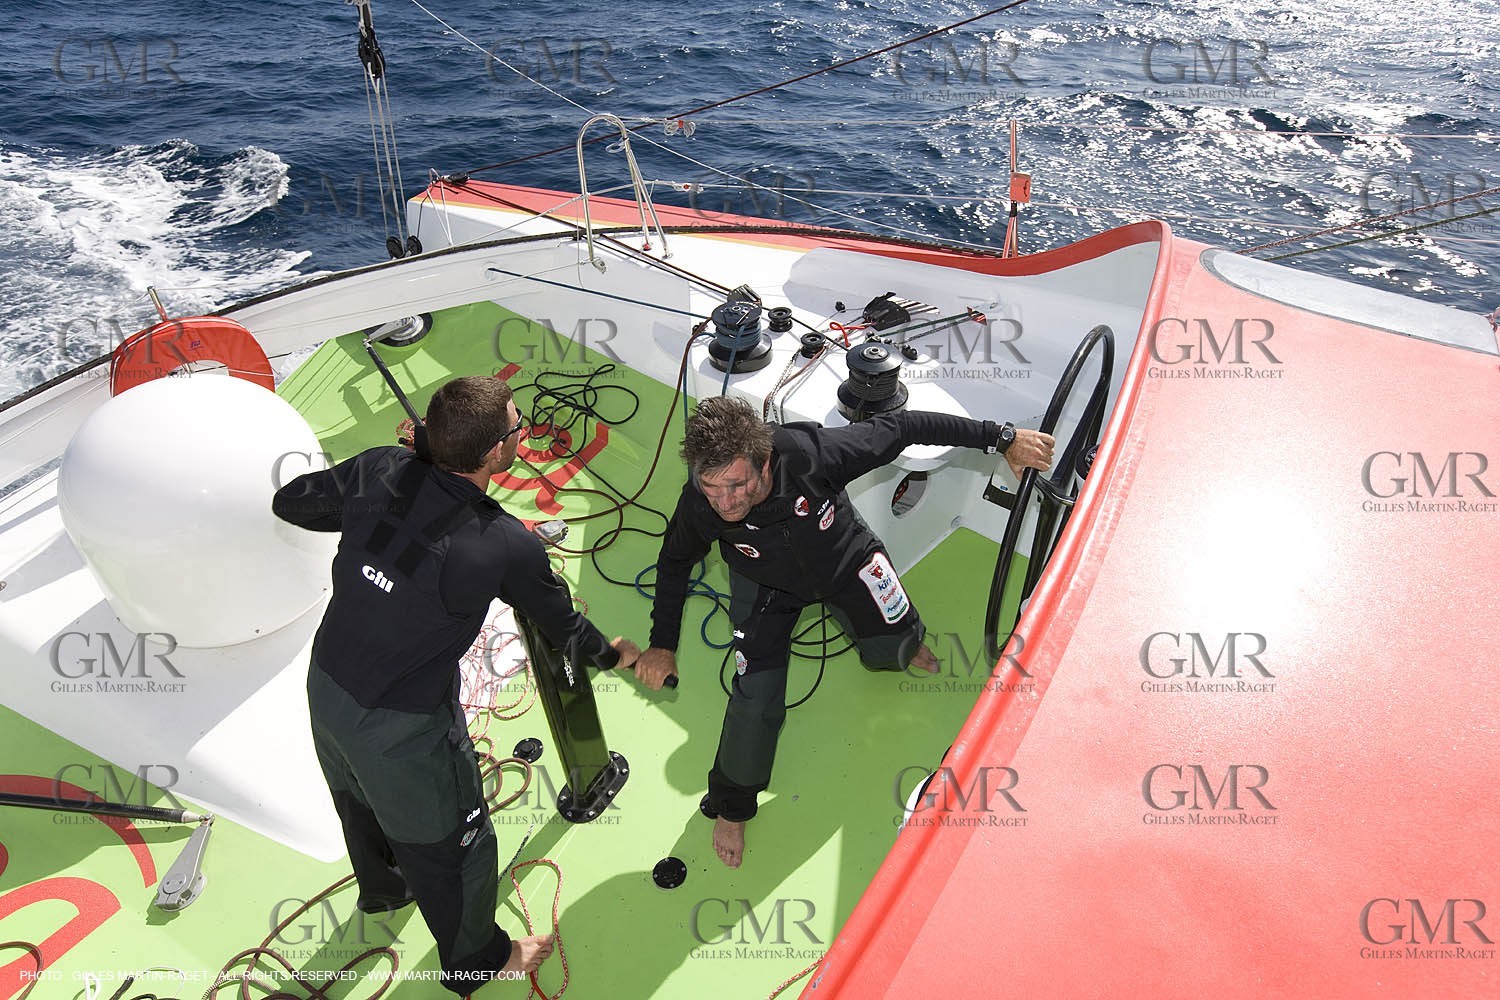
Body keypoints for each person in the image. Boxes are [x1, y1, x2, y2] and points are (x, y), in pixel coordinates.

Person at [273, 375, 639, 992]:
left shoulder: (379, 466)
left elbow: (293, 503)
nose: (521, 433)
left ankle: (385, 892)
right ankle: (477, 961)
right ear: (497, 453)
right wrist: (615, 654)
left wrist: (395, 478)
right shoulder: (503, 545)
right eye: (517, 427)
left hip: (326, 685)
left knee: (357, 802)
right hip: (401, 729)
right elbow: (564, 629)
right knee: (458, 842)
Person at [633, 397, 1054, 868]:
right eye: (712, 490)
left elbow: (903, 426)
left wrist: (1002, 438)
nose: (725, 502)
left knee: (896, 644)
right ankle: (733, 807)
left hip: (844, 562)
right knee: (754, 700)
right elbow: (673, 564)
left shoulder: (813, 453)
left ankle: (904, 643)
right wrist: (662, 644)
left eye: (737, 484)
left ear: (765, 460)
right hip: (764, 589)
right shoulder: (702, 501)